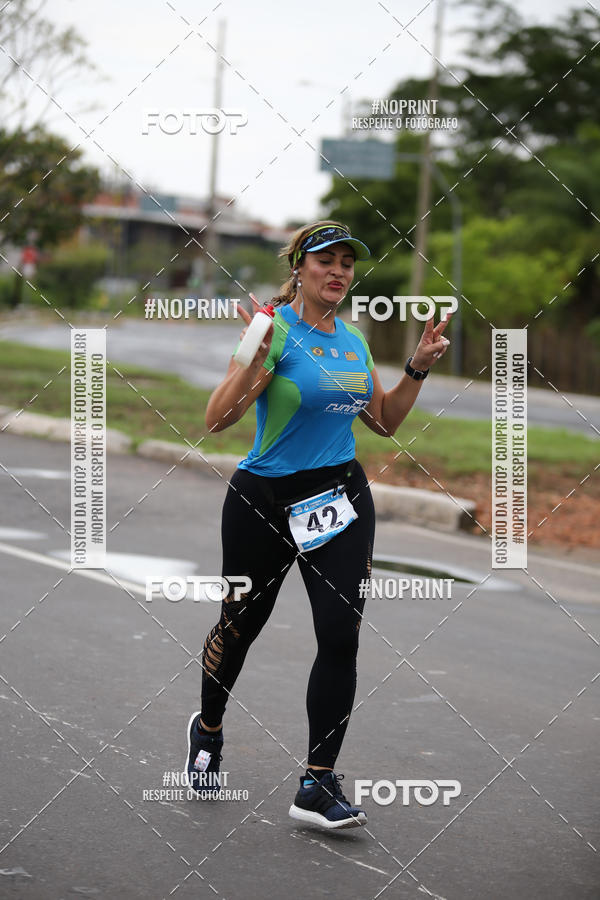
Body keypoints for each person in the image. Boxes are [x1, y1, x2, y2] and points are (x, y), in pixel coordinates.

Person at [185, 220, 451, 829]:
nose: (338, 271)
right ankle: (208, 730)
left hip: (338, 497)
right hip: (264, 498)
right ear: (299, 268)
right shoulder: (272, 330)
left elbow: (382, 423)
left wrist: (415, 367)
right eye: (325, 260)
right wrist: (256, 360)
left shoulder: (354, 343)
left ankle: (317, 783)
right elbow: (215, 419)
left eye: (347, 263)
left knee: (340, 633)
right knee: (240, 626)